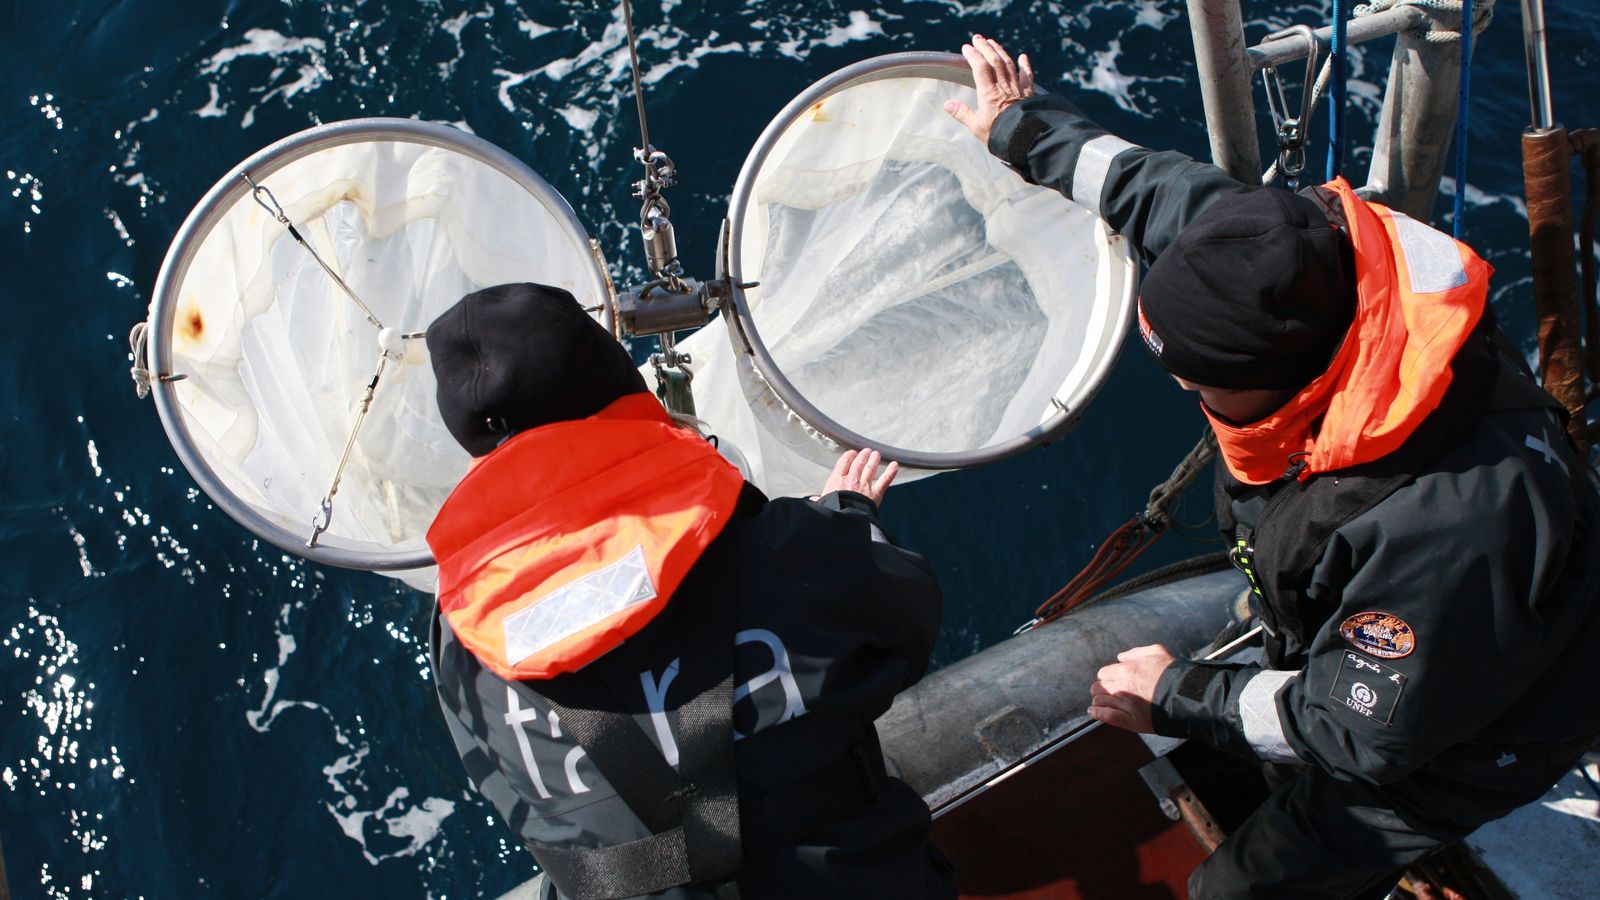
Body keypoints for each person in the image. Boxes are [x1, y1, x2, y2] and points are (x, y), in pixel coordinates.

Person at [948, 34, 1600, 899]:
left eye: (1200, 384)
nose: (1187, 392)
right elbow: (1153, 188)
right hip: (1410, 642)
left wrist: (1177, 695)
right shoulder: (1294, 261)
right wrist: (1022, 129)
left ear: (1293, 384)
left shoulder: (1444, 525)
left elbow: (1365, 731)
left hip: (1479, 728)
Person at [421, 283, 956, 900]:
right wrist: (845, 521)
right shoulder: (787, 546)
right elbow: (909, 622)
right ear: (613, 381)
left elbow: (505, 786)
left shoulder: (459, 637)